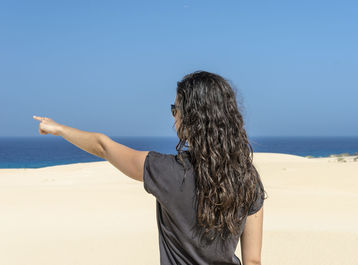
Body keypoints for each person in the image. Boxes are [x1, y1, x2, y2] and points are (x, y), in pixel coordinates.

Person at [33, 70, 267, 265]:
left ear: (191, 117)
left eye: (175, 109)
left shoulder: (165, 171)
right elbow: (253, 261)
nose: (174, 116)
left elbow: (103, 146)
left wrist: (58, 128)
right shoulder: (248, 179)